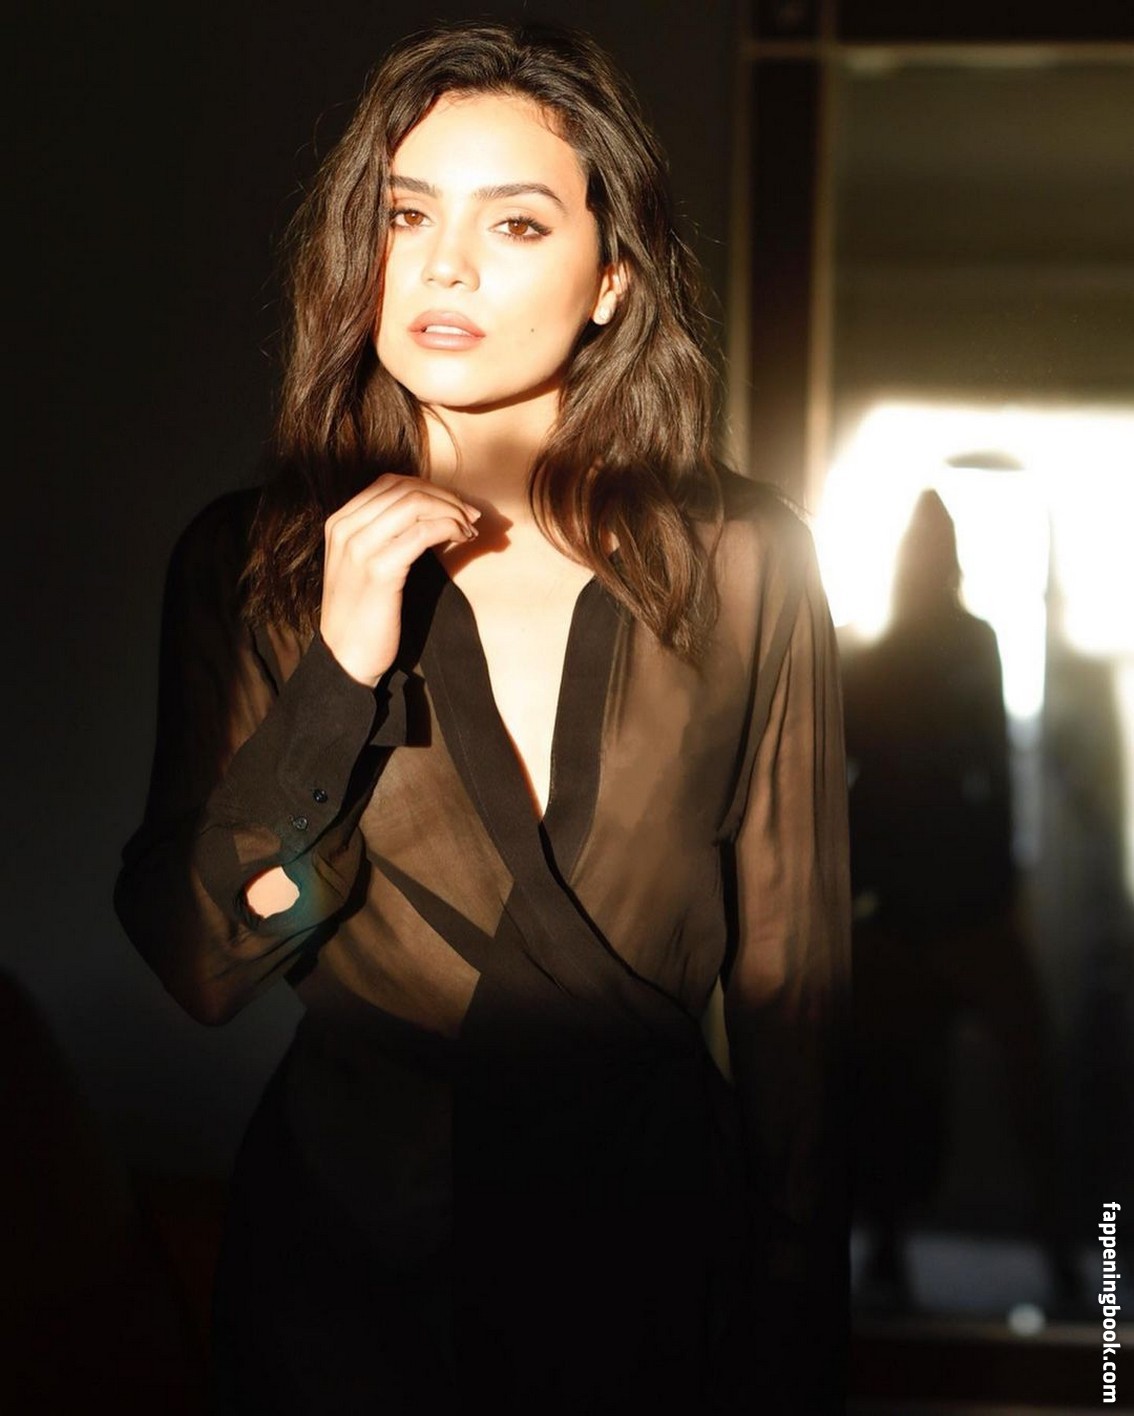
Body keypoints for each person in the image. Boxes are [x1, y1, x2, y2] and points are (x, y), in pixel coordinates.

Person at [115, 21, 850, 1415]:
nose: (442, 265)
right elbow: (200, 963)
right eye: (405, 215)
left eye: (514, 222)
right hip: (347, 1289)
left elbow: (794, 992)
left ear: (612, 279)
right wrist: (337, 673)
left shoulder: (746, 560)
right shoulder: (252, 562)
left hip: (651, 1278)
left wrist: (797, 1325)